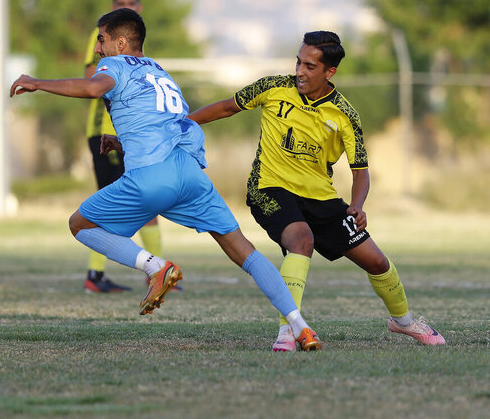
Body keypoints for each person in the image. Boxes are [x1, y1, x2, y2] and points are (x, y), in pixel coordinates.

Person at [11, 8, 322, 350]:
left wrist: (38, 83)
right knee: (244, 252)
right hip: (190, 173)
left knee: (80, 224)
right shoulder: (159, 71)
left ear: (121, 41)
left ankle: (154, 266)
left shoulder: (113, 65)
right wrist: (122, 141)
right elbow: (166, 121)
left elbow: (92, 88)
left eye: (101, 40)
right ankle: (300, 326)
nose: (98, 49)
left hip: (152, 175)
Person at [188, 30, 444, 350]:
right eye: (298, 62)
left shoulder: (345, 113)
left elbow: (361, 170)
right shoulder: (273, 87)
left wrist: (358, 204)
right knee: (301, 239)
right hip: (269, 188)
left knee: (377, 262)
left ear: (329, 72)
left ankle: (403, 322)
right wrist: (181, 124)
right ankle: (288, 331)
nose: (299, 71)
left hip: (321, 196)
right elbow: (227, 107)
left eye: (310, 66)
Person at [81, 0, 164, 293]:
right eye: (119, 3)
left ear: (139, 7)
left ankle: (155, 271)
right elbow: (92, 79)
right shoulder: (104, 36)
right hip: (107, 132)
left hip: (134, 136)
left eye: (130, 3)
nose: (125, 7)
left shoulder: (135, 44)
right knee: (110, 203)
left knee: (148, 203)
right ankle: (97, 274)